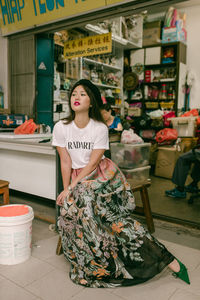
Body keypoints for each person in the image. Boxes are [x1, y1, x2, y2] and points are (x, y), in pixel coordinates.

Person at [52, 79, 190, 288]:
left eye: (82, 94)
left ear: (92, 102)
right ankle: (92, 264)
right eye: (73, 94)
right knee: (69, 212)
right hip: (78, 180)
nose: (76, 97)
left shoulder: (99, 128)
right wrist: (67, 190)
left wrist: (73, 187)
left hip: (103, 177)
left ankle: (164, 258)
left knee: (103, 214)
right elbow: (65, 161)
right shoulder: (61, 127)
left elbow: (93, 164)